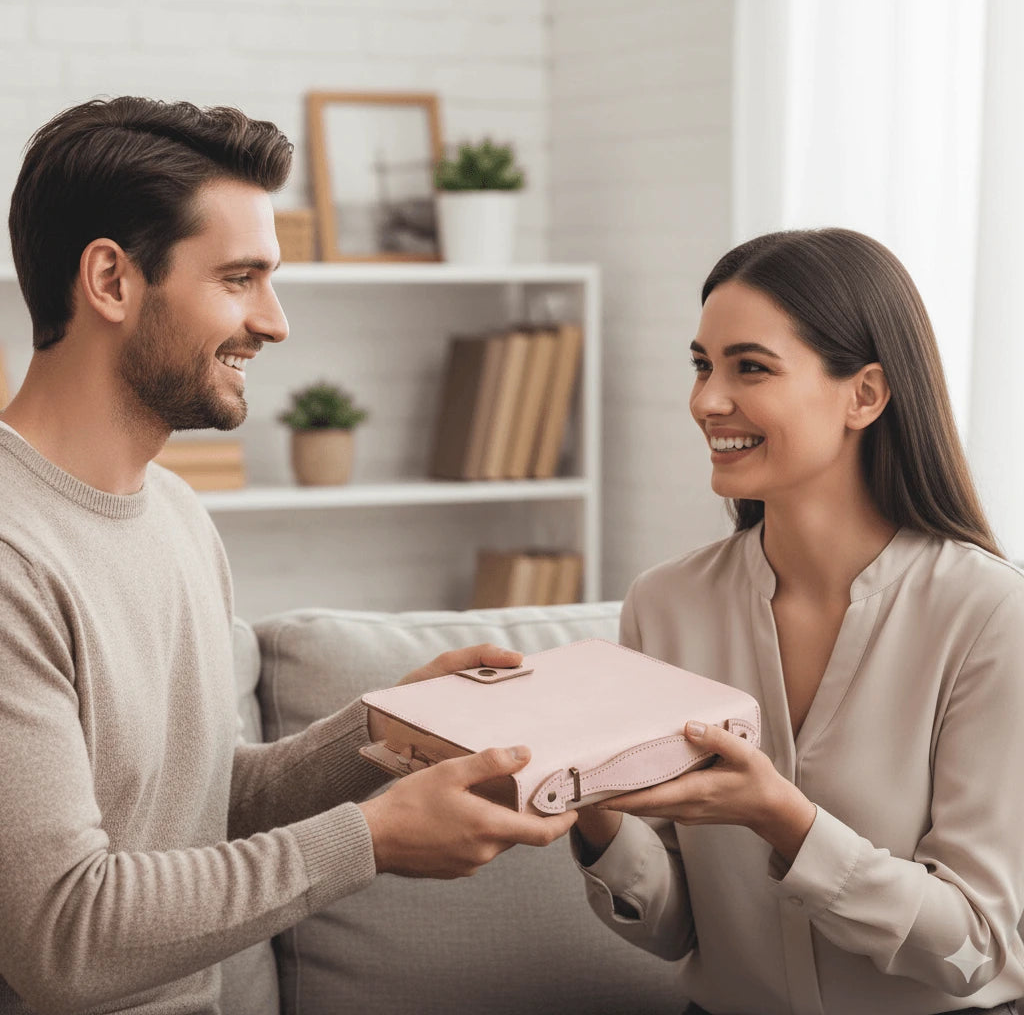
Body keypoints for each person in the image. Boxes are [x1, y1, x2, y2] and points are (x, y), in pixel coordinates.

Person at [0, 96, 577, 1014]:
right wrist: (371, 840)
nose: (274, 322)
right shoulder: (12, 559)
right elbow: (62, 935)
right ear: (110, 280)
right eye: (240, 278)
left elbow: (201, 808)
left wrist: (381, 733)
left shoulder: (178, 514)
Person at [572, 229, 1024, 1015]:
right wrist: (596, 812)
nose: (707, 400)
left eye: (750, 367)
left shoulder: (989, 616)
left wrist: (783, 819)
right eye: (701, 365)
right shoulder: (665, 605)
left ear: (866, 395)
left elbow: (972, 948)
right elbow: (677, 930)